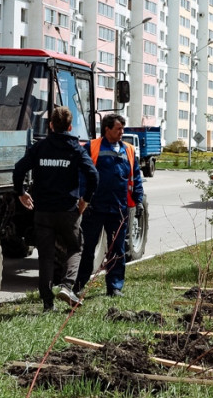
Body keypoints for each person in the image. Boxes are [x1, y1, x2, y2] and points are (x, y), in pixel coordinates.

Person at [12, 106, 99, 312]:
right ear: (69, 127)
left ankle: (47, 303)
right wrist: (85, 200)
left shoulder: (40, 147)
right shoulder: (75, 148)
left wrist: (21, 192)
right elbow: (93, 175)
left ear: (50, 125)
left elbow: (19, 169)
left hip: (43, 212)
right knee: (76, 247)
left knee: (46, 256)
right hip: (68, 211)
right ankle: (67, 286)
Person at [75, 113, 143, 298]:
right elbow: (83, 175)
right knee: (88, 248)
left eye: (123, 129)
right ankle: (79, 285)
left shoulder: (128, 150)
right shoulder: (92, 147)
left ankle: (114, 287)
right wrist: (84, 199)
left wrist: (138, 199)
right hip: (95, 208)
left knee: (117, 249)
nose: (122, 132)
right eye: (118, 129)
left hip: (119, 208)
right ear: (107, 129)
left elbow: (135, 176)